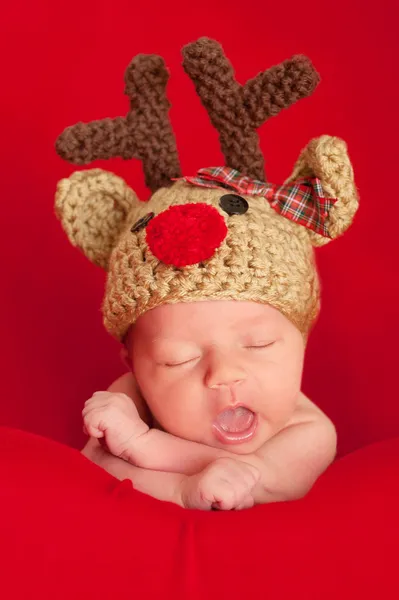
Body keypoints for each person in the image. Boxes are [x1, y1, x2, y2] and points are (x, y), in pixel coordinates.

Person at [55, 37, 359, 510]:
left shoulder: (311, 431)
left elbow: (254, 480)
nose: (225, 375)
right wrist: (178, 487)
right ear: (132, 361)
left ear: (302, 338)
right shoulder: (131, 396)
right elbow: (97, 466)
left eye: (259, 344)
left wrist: (142, 447)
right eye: (177, 359)